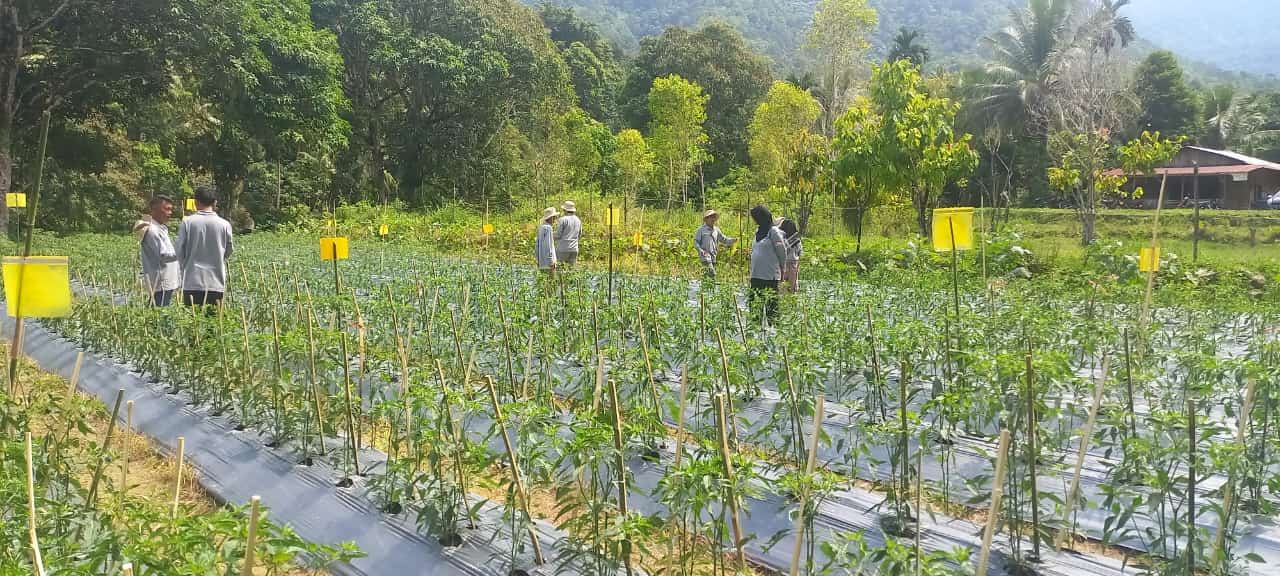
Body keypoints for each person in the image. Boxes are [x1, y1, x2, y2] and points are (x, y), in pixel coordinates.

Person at [177, 186, 234, 311]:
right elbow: (229, 250)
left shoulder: (188, 222)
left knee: (193, 320)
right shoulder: (224, 224)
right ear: (215, 203)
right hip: (216, 282)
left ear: (195, 202)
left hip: (192, 282)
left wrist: (183, 267)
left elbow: (180, 251)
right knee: (214, 320)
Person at [748, 205, 786, 326]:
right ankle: (756, 332)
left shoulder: (773, 231)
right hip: (756, 276)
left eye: (755, 218)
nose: (754, 220)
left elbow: (782, 251)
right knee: (755, 310)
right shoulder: (758, 232)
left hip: (770, 276)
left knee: (772, 310)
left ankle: (774, 333)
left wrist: (783, 268)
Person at [138, 196, 180, 306]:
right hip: (161, 281)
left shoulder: (161, 228)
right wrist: (183, 253)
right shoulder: (152, 230)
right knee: (159, 309)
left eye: (171, 209)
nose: (170, 213)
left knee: (159, 309)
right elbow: (163, 255)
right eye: (167, 209)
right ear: (154, 209)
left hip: (166, 280)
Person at [693, 209, 736, 279]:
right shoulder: (701, 230)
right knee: (712, 274)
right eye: (711, 217)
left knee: (707, 277)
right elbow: (696, 242)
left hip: (713, 256)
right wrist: (700, 250)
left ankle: (706, 285)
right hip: (705, 256)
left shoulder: (716, 230)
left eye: (714, 217)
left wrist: (733, 240)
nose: (713, 219)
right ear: (706, 219)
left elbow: (724, 240)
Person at [555, 200, 582, 267]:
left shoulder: (563, 219)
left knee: (560, 269)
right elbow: (579, 235)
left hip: (563, 248)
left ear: (565, 210)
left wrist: (550, 237)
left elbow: (558, 235)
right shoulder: (578, 220)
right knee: (571, 270)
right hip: (574, 248)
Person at [779, 218, 802, 293]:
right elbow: (800, 252)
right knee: (793, 288)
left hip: (784, 264)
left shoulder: (781, 239)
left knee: (782, 288)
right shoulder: (797, 240)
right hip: (793, 264)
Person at [535, 207, 559, 277]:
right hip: (549, 262)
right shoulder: (548, 228)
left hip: (542, 261)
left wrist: (538, 259)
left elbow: (537, 245)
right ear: (551, 218)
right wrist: (551, 260)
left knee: (543, 280)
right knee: (551, 280)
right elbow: (548, 245)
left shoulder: (541, 227)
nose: (555, 219)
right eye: (554, 217)